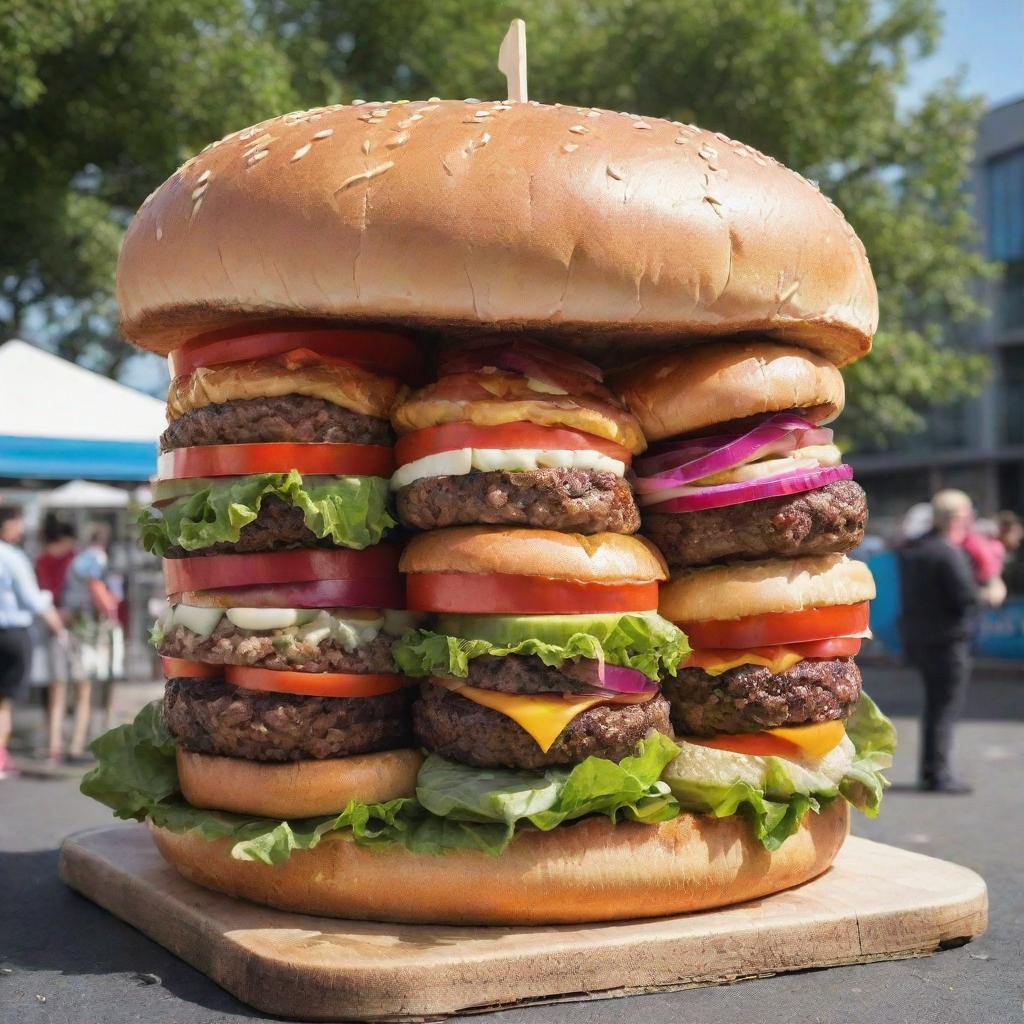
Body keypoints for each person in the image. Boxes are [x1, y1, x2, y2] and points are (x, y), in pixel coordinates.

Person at [898, 489, 979, 794]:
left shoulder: (915, 549)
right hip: (947, 641)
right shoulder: (947, 551)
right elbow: (966, 597)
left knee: (933, 707)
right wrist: (989, 591)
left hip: (920, 637)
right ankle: (938, 772)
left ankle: (932, 769)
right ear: (956, 517)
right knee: (944, 708)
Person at [0, 506, 66, 779]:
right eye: (18, 523)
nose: (22, 529)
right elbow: (31, 599)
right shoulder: (13, 557)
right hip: (13, 632)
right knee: (4, 700)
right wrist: (57, 625)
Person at [35, 519, 93, 764]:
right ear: (68, 538)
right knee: (83, 689)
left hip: (52, 627)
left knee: (56, 689)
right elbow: (86, 594)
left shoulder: (40, 561)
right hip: (79, 627)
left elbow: (40, 595)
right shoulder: (76, 559)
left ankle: (53, 747)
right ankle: (76, 747)